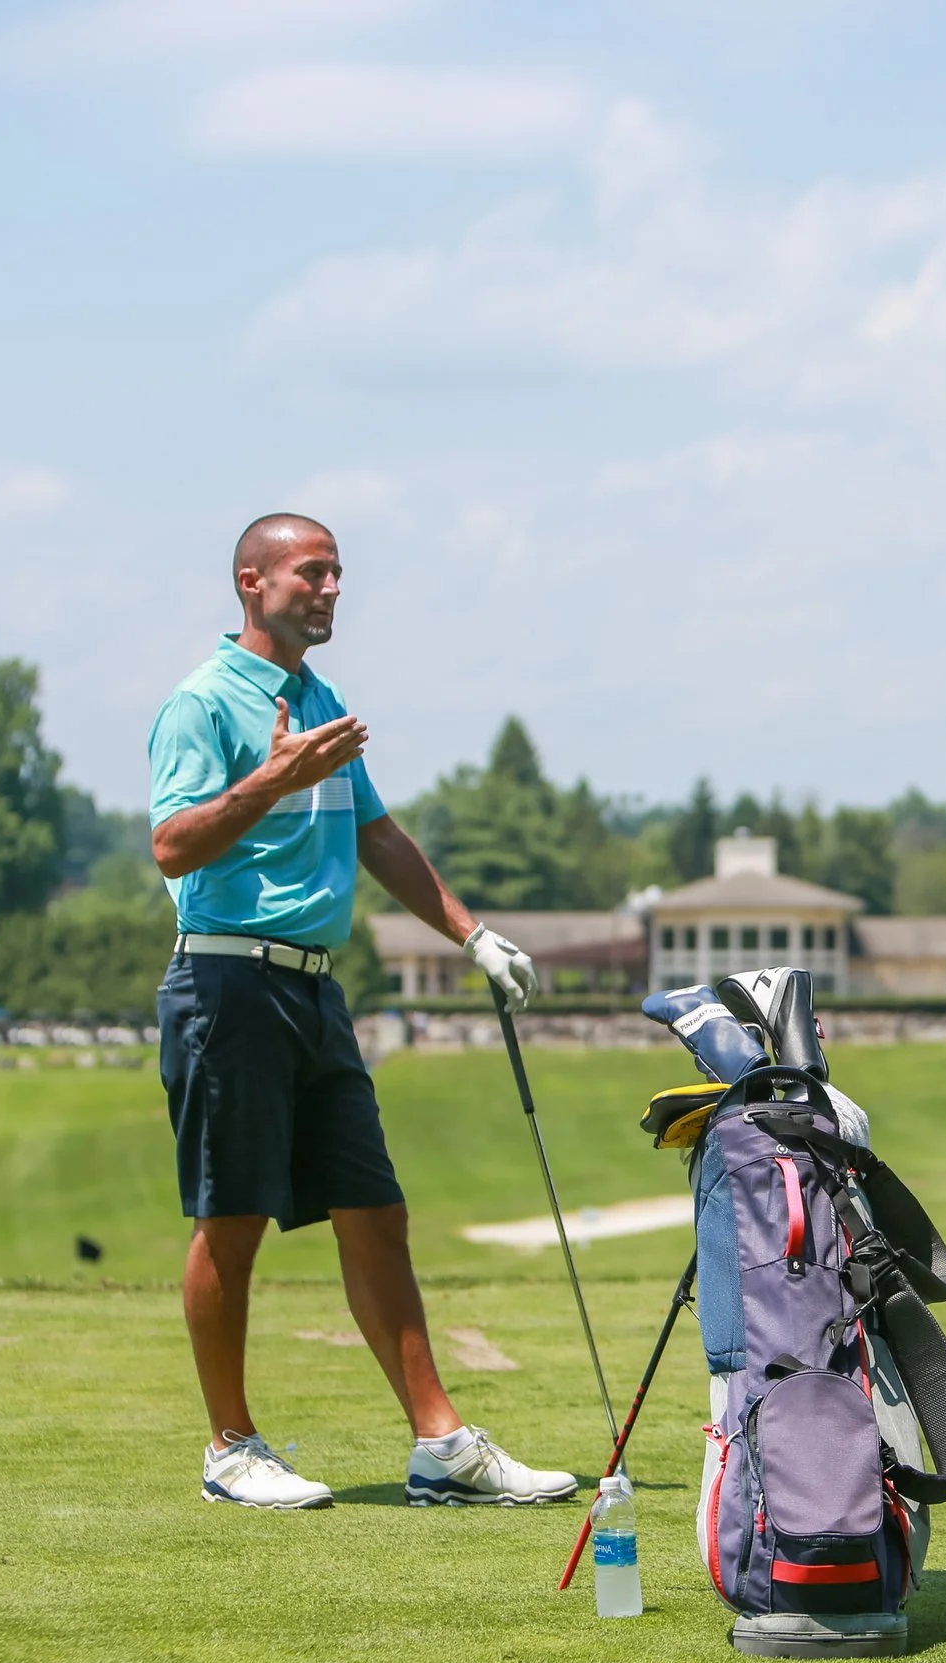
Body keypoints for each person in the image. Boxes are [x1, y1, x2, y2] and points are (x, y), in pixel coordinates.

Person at [149, 512, 572, 1511]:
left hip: (309, 985)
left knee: (374, 1208)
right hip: (225, 983)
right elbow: (172, 845)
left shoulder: (322, 699)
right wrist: (270, 778)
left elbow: (375, 832)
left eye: (337, 572)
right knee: (233, 1215)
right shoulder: (202, 702)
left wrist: (470, 933)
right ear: (252, 582)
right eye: (310, 571)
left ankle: (442, 1445)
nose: (330, 587)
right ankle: (231, 1447)